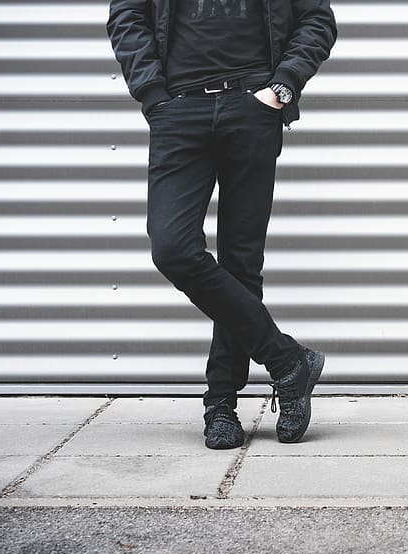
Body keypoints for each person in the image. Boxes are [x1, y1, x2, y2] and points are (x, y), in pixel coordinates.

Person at [106, 0, 337, 449]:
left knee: (241, 263)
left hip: (253, 108)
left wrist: (281, 89)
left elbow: (317, 20)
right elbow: (126, 18)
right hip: (179, 109)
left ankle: (221, 406)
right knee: (172, 248)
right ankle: (289, 361)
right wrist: (153, 95)